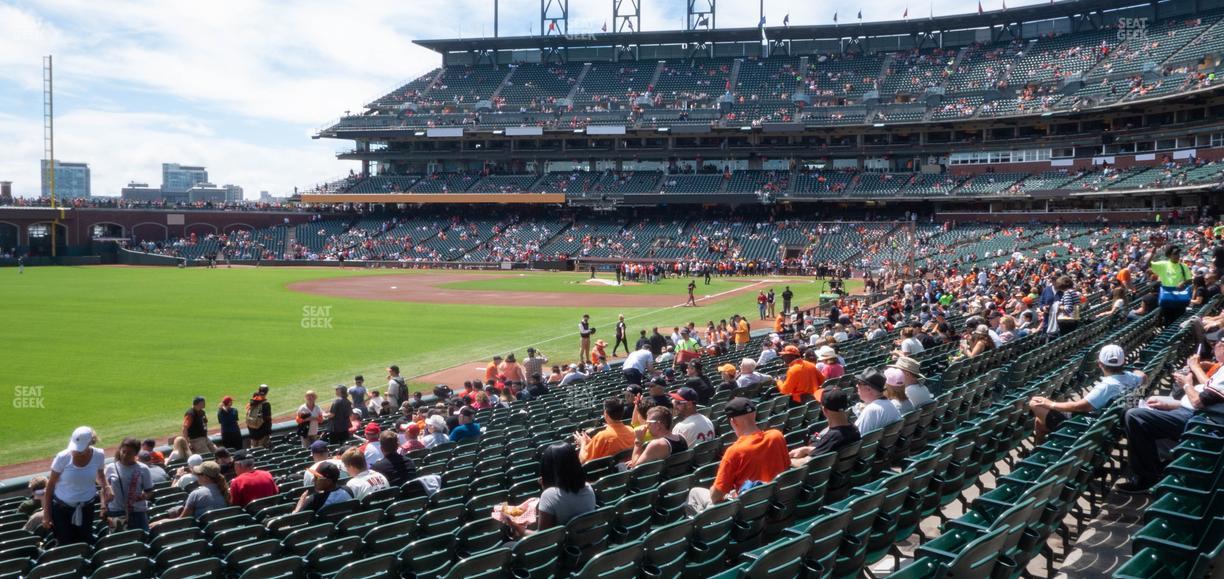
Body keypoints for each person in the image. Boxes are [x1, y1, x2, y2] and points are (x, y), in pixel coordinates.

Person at [686, 398, 789, 514]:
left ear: (733, 422)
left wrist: (713, 490)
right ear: (754, 414)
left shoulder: (734, 451)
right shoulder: (777, 436)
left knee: (695, 492)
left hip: (748, 510)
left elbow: (716, 496)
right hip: (775, 502)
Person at [1029, 344, 1147, 444]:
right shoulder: (1132, 378)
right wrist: (1136, 372)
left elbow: (1081, 407)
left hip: (1091, 425)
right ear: (1123, 362)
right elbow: (1143, 376)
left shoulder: (1107, 386)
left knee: (1035, 404)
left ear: (1100, 364)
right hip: (1113, 423)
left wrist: (1051, 404)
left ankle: (1041, 448)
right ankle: (1038, 447)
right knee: (1039, 422)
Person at [503, 443, 596, 539]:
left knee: (508, 546)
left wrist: (516, 527)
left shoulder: (549, 495)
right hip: (585, 541)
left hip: (562, 546)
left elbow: (542, 538)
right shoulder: (588, 488)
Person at [44, 427, 105, 544]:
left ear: (90, 443)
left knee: (85, 542)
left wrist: (106, 487)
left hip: (87, 508)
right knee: (65, 543)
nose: (77, 451)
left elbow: (101, 475)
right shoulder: (63, 457)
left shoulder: (99, 455)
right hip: (62, 511)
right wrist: (46, 515)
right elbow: (50, 485)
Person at [789, 389, 861, 466]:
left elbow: (806, 463)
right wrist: (806, 449)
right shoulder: (854, 428)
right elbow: (827, 449)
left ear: (824, 410)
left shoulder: (833, 437)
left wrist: (787, 461)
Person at [152, 461, 229, 526]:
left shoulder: (196, 494)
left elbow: (182, 520)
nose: (196, 476)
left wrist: (160, 522)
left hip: (203, 532)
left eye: (198, 474)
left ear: (205, 477)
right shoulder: (226, 490)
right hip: (221, 527)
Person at [102, 437, 153, 533]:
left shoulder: (143, 469)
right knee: (120, 543)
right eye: (123, 451)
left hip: (137, 512)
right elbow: (104, 489)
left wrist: (143, 496)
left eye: (129, 453)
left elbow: (149, 491)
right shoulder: (110, 468)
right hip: (116, 512)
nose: (125, 455)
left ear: (136, 454)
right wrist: (103, 507)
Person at [574, 398, 635, 463]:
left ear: (605, 413)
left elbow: (583, 460)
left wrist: (583, 443)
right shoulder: (631, 431)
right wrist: (591, 442)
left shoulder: (602, 436)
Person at [1150, 244, 1193, 324]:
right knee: (1168, 321)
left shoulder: (1184, 266)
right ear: (1169, 255)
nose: (1178, 255)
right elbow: (1147, 265)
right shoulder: (1163, 264)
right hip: (1167, 298)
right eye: (1175, 254)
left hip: (1180, 298)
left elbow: (1190, 280)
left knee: (1179, 322)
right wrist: (1152, 254)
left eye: (1178, 253)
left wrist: (1183, 283)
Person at [854, 369, 902, 434]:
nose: (856, 385)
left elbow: (858, 438)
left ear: (869, 389)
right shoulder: (890, 404)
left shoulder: (871, 410)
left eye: (859, 383)